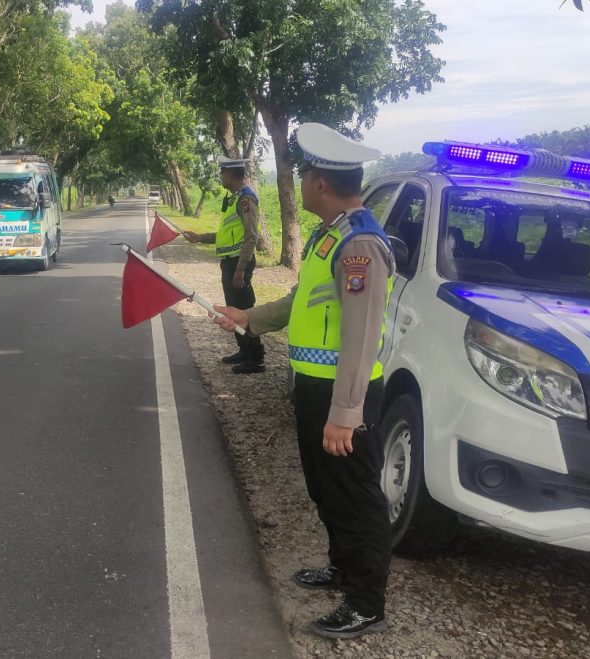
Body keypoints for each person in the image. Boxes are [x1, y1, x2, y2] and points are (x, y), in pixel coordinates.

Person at [211, 123, 395, 639]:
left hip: (344, 394)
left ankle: (366, 602)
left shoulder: (360, 245)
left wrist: (345, 413)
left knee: (356, 497)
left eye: (307, 172)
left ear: (319, 182)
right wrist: (248, 319)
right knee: (326, 490)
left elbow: (359, 339)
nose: (304, 180)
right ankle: (342, 568)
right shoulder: (331, 234)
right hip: (314, 386)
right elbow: (301, 302)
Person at [182, 156, 265, 373]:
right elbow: (225, 235)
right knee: (233, 310)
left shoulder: (246, 200)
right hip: (229, 264)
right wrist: (200, 237)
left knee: (245, 310)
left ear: (232, 174)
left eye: (223, 173)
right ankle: (244, 351)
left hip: (239, 264)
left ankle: (255, 358)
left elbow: (251, 237)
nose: (220, 176)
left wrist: (240, 270)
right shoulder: (234, 199)